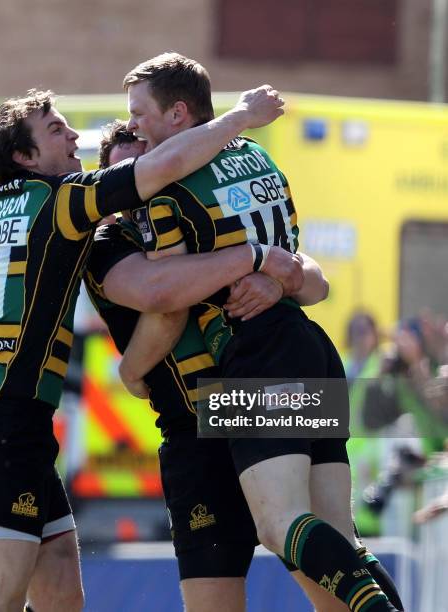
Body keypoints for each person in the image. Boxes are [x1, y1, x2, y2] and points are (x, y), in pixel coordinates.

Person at [0, 86, 286, 612]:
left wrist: (284, 274)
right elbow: (163, 300)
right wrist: (259, 255)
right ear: (24, 157)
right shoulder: (71, 213)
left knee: (61, 603)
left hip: (30, 429)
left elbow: (314, 281)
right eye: (56, 129)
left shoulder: (17, 207)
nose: (73, 134)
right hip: (7, 428)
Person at [122, 53, 403, 611]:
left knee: (279, 527)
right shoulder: (255, 156)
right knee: (338, 538)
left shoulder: (166, 187)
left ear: (178, 115)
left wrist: (129, 369)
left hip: (252, 353)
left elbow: (169, 300)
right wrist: (276, 278)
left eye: (139, 113)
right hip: (308, 343)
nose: (133, 126)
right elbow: (300, 265)